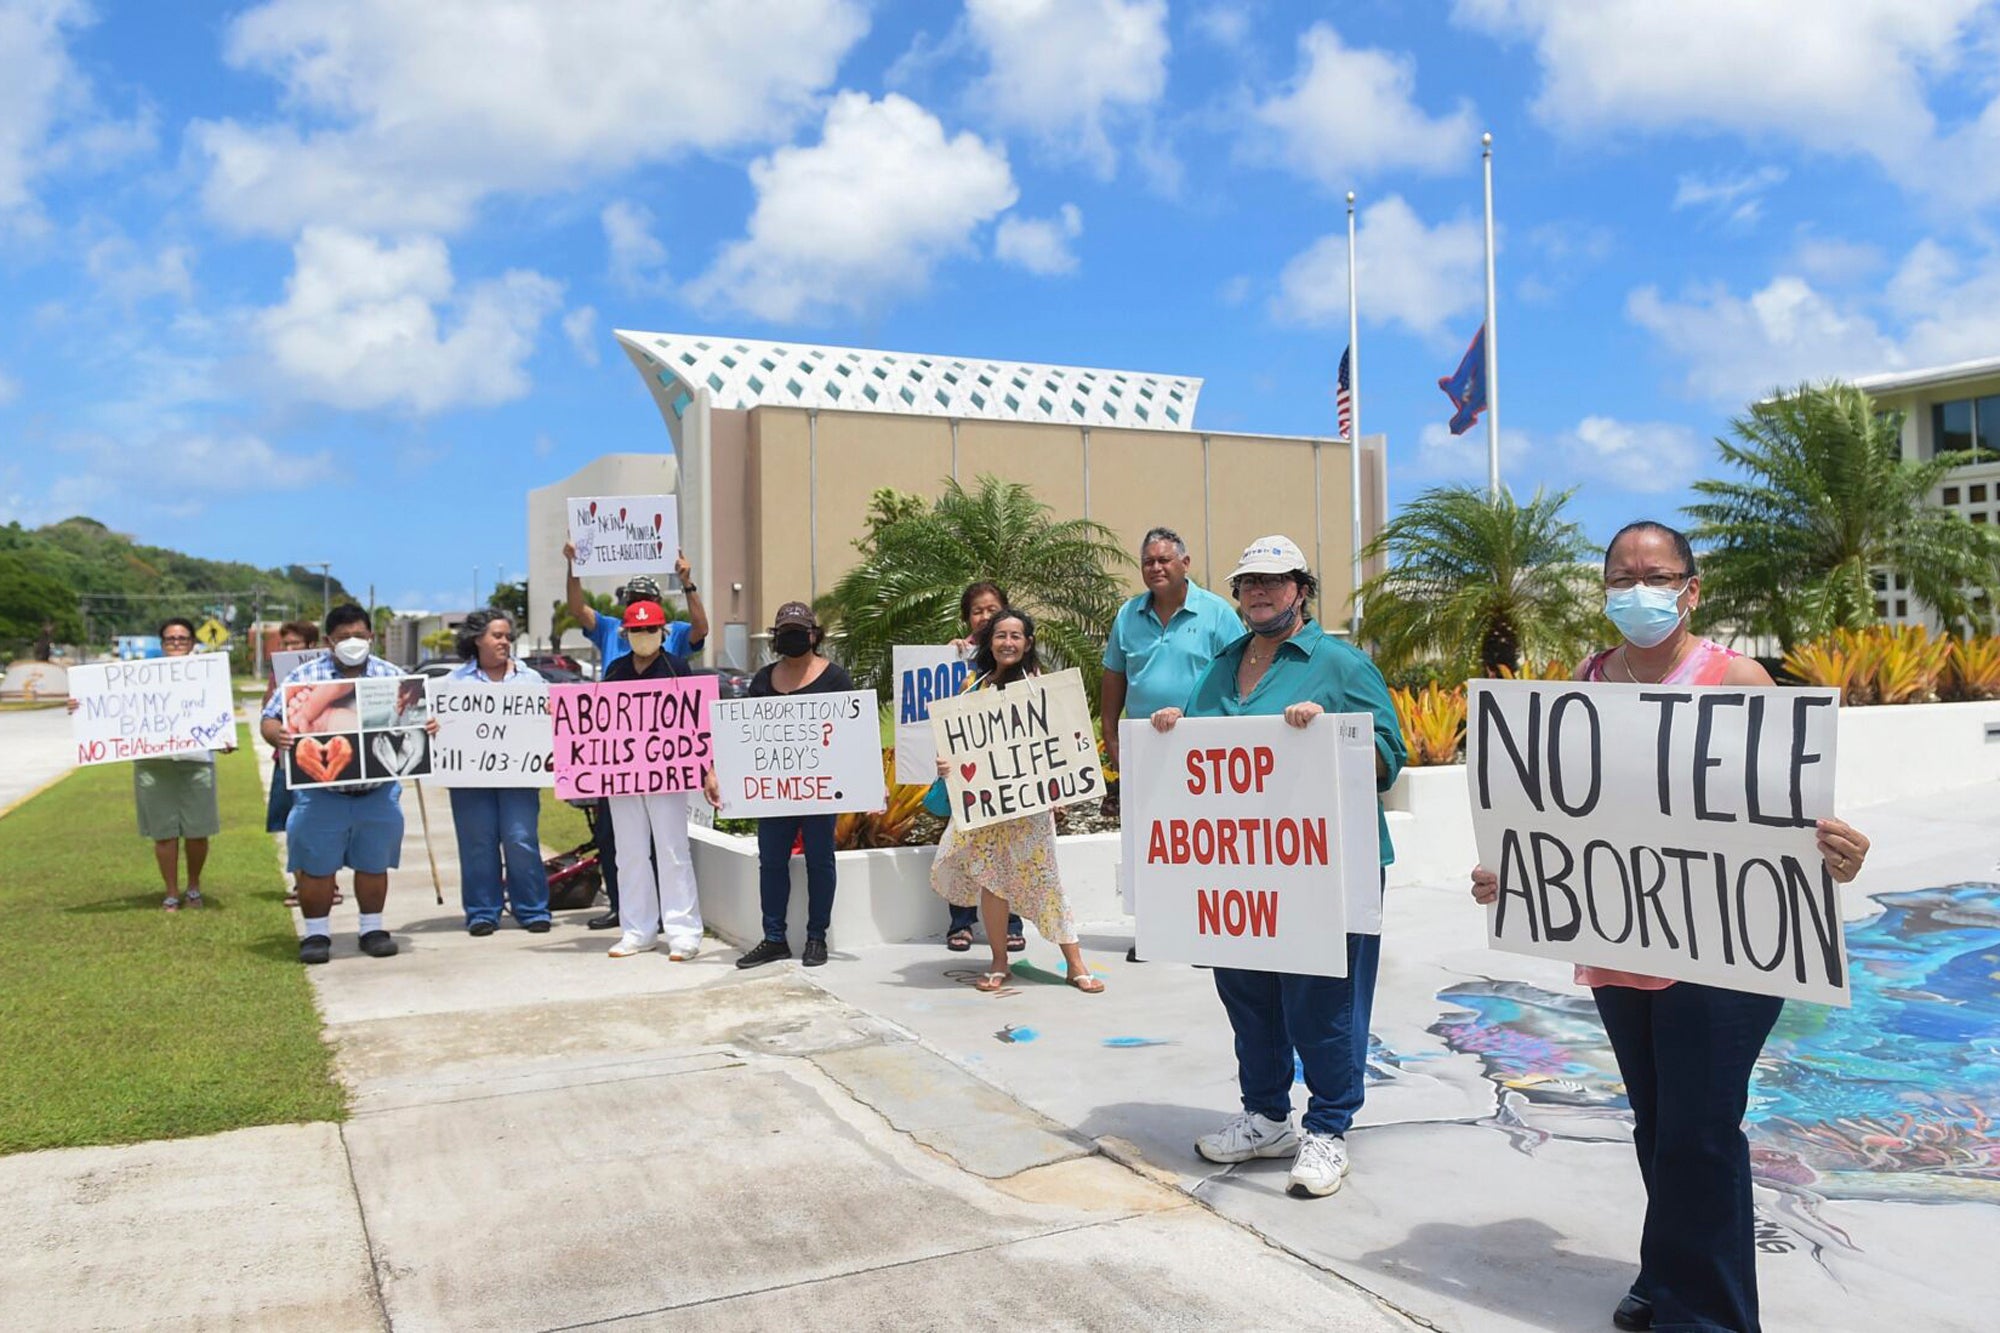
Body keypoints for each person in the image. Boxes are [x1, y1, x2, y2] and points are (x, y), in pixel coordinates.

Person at [1469, 520, 1873, 1333]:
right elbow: (1566, 818)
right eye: (1621, 575)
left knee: (1699, 1128)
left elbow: (1789, 822)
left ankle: (1708, 1315)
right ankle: (1668, 1269)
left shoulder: (1739, 679)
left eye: (1654, 574)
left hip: (1726, 952)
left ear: (1691, 588)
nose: (1636, 589)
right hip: (1623, 942)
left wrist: (1835, 854)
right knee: (1659, 1120)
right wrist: (1514, 874)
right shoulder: (1583, 683)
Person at [1149, 535, 1405, 1200]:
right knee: (1248, 996)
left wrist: (1331, 732)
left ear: (1301, 589)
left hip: (1328, 865)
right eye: (1248, 582)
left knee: (1323, 1001)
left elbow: (1388, 753)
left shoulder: (1339, 663)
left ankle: (1328, 1127)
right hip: (1242, 868)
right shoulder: (1222, 663)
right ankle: (1266, 1116)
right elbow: (1205, 749)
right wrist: (1176, 730)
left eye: (1274, 580)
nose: (1259, 592)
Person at [931, 608, 1105, 995]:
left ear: (1028, 643)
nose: (1008, 643)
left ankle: (1075, 963)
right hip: (988, 809)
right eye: (1000, 635)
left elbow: (1065, 744)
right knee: (993, 884)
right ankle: (998, 961)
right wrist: (947, 764)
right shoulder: (971, 692)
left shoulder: (1042, 689)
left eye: (1015, 636)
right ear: (988, 642)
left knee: (1046, 880)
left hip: (1029, 807)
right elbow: (959, 748)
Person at [1101, 525, 1242, 962]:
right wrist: (1110, 735)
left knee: (1205, 843)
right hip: (1146, 750)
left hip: (1205, 751)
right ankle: (1157, 932)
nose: (1156, 567)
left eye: (1164, 559)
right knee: (1155, 845)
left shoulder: (1218, 614)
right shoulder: (1128, 615)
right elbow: (1114, 677)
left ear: (1185, 563)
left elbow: (1244, 674)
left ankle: (1206, 935)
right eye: (1148, 561)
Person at [562, 543, 708, 933]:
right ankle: (633, 922)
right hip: (621, 766)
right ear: (625, 625)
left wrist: (688, 583)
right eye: (634, 614)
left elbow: (694, 718)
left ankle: (677, 925)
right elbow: (595, 716)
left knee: (671, 847)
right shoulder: (614, 662)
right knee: (623, 847)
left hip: (664, 766)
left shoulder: (675, 658)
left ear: (662, 624)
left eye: (649, 614)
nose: (642, 624)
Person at [261, 603, 412, 965]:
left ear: (371, 637)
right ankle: (316, 934)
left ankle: (372, 929)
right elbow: (270, 718)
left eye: (359, 636)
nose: (353, 642)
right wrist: (276, 735)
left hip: (377, 791)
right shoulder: (304, 677)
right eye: (344, 638)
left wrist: (426, 728)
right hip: (319, 791)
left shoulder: (392, 676)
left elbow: (413, 723)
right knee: (316, 865)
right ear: (329, 641)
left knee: (374, 863)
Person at [72, 617, 236, 911]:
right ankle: (172, 892)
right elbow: (106, 705)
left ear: (192, 643)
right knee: (163, 833)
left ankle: (194, 887)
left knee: (198, 831)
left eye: (182, 638)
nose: (176, 643)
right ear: (162, 644)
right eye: (170, 639)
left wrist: (224, 740)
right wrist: (80, 705)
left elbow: (219, 716)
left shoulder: (208, 675)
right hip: (152, 764)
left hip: (196, 763)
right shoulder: (140, 676)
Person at [734, 602, 854, 971]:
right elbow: (744, 735)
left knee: (820, 859)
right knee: (770, 861)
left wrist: (866, 782)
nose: (791, 637)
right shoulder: (762, 680)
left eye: (799, 630)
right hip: (774, 789)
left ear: (814, 635)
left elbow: (853, 735)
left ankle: (817, 936)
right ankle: (774, 938)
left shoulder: (835, 678)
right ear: (775, 637)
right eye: (784, 630)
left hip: (820, 788)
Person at [601, 599, 708, 960]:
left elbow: (695, 722)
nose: (642, 636)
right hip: (624, 776)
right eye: (635, 630)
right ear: (625, 634)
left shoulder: (675, 667)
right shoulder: (615, 670)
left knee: (672, 850)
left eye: (649, 629)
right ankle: (637, 930)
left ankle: (683, 932)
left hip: (668, 774)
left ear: (662, 632)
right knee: (629, 852)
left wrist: (707, 768)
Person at [445, 610, 552, 936]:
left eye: (508, 636)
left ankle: (532, 909)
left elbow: (554, 719)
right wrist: (437, 725)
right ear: (477, 639)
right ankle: (482, 912)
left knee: (521, 840)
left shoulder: (531, 680)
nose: (505, 642)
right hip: (470, 780)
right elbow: (440, 725)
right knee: (477, 843)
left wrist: (550, 712)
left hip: (518, 778)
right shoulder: (454, 683)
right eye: (497, 636)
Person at [943, 580, 1024, 956]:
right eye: (977, 610)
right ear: (967, 619)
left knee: (1009, 852)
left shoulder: (1021, 659)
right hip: (969, 777)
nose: (985, 616)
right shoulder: (958, 661)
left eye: (992, 609)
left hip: (1012, 779)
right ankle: (961, 922)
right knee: (964, 849)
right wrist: (947, 657)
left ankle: (1011, 923)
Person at [264, 621, 328, 908]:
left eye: (295, 644)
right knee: (294, 822)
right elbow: (269, 712)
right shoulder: (279, 675)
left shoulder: (326, 673)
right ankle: (301, 884)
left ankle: (327, 882)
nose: (289, 649)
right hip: (287, 760)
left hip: (321, 756)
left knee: (324, 822)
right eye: (285, 645)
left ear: (311, 647)